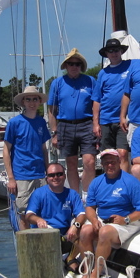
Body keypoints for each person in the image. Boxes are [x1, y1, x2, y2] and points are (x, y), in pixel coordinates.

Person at [79, 149, 140, 278]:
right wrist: (94, 220)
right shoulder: (96, 182)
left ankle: (96, 274)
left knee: (105, 232)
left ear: (119, 162)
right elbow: (90, 207)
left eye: (113, 162)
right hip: (103, 219)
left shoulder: (131, 182)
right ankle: (87, 270)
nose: (110, 165)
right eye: (106, 163)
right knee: (84, 231)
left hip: (128, 221)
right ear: (102, 165)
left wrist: (126, 219)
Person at [47, 48, 98, 194]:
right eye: (71, 64)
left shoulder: (90, 81)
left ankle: (89, 196)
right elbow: (52, 110)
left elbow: (96, 104)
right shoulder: (57, 83)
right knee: (71, 163)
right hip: (65, 126)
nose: (74, 66)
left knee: (90, 161)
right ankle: (75, 196)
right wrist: (54, 132)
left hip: (86, 124)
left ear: (81, 66)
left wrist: (96, 124)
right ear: (66, 66)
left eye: (77, 64)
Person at [3, 85, 51, 230]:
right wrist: (11, 177)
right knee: (23, 214)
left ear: (39, 101)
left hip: (40, 174)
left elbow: (44, 149)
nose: (32, 102)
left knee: (42, 212)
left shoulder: (41, 122)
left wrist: (48, 171)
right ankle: (26, 248)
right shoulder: (14, 123)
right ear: (23, 102)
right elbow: (6, 150)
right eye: (28, 99)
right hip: (22, 175)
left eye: (35, 99)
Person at [25, 162, 86, 269]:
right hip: (44, 236)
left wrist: (75, 225)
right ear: (47, 178)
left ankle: (70, 258)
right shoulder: (38, 194)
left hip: (65, 236)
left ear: (64, 176)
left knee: (85, 228)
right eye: (52, 175)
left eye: (59, 174)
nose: (56, 177)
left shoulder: (72, 194)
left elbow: (81, 214)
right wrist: (38, 220)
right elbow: (29, 215)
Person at [92, 38, 132, 172]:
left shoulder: (131, 66)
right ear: (106, 54)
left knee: (123, 154)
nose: (114, 53)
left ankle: (125, 185)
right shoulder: (103, 73)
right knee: (107, 156)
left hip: (123, 120)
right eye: (110, 51)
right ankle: (109, 185)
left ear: (121, 51)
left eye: (116, 50)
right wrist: (96, 123)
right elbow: (96, 99)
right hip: (105, 121)